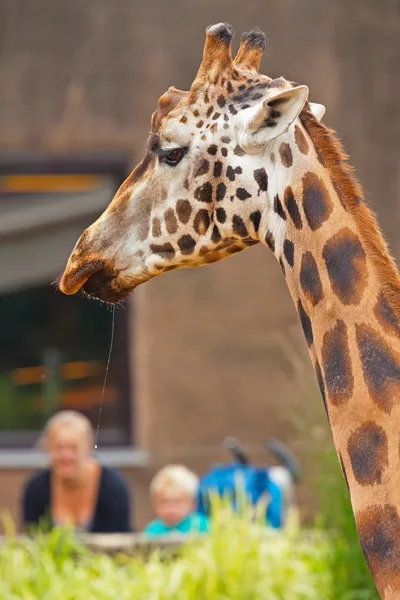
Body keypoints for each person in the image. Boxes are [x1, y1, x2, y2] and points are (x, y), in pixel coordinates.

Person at [22, 410, 132, 533]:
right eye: (59, 447)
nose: (66, 455)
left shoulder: (113, 487)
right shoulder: (36, 489)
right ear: (48, 448)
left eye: (73, 448)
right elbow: (31, 539)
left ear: (88, 447)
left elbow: (120, 539)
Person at [143, 465, 209, 537]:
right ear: (155, 503)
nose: (170, 509)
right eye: (164, 502)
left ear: (192, 503)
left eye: (177, 502)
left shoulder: (203, 527)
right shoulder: (151, 531)